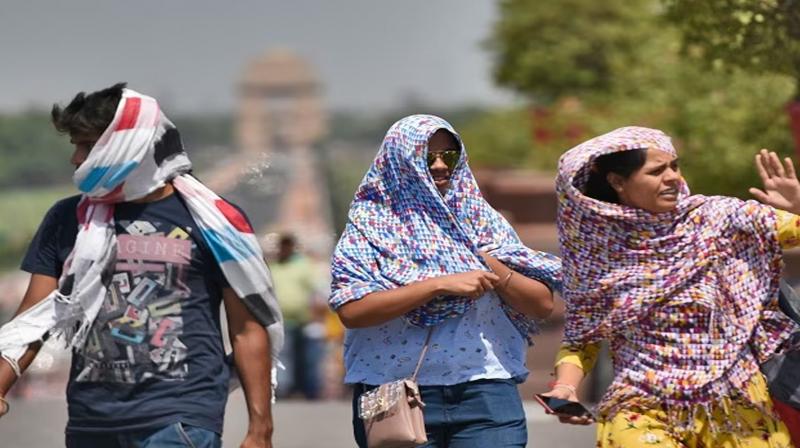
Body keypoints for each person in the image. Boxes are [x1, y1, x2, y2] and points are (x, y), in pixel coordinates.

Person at [0, 83, 283, 448]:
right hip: (92, 422)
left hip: (180, 420)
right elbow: (34, 320)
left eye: (87, 146)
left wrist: (261, 430)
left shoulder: (212, 222)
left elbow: (246, 329)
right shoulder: (68, 220)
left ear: (125, 147)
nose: (75, 159)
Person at [542, 126, 800, 446]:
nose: (673, 178)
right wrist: (565, 388)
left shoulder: (717, 217)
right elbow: (582, 337)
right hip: (641, 408)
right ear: (617, 181)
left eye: (674, 166)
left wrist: (797, 205)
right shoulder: (595, 253)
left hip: (734, 404)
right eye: (657, 171)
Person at [329, 114, 561, 447]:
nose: (440, 165)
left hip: (485, 389)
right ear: (400, 160)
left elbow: (541, 304)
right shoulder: (368, 228)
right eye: (427, 156)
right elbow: (352, 310)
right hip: (396, 394)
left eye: (449, 156)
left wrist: (483, 263)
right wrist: (438, 284)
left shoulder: (483, 222)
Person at [271, 233, 327, 399]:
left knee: (307, 358)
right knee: (284, 355)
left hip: (304, 320)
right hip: (281, 320)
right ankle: (284, 388)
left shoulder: (303, 266)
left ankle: (308, 389)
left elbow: (318, 289)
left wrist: (318, 313)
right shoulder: (273, 267)